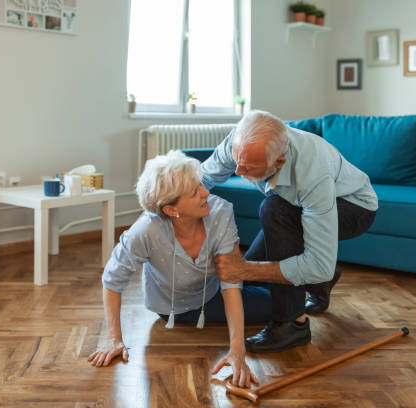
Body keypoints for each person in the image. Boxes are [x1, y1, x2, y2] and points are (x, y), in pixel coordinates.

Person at [88, 150, 272, 388]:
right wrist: (114, 339)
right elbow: (112, 280)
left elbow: (231, 280)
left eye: (201, 185)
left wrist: (237, 351)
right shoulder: (145, 231)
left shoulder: (220, 211)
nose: (206, 192)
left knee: (273, 220)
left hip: (216, 284)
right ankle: (301, 285)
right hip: (179, 308)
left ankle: (312, 280)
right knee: (274, 303)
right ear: (171, 209)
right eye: (196, 192)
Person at [201, 110, 378, 353]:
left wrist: (244, 268)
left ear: (279, 162)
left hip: (354, 207)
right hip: (295, 204)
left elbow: (319, 264)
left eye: (248, 167)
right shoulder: (240, 142)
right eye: (236, 162)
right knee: (256, 271)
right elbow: (201, 180)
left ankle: (292, 324)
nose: (238, 172)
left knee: (273, 210)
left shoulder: (311, 173)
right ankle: (320, 286)